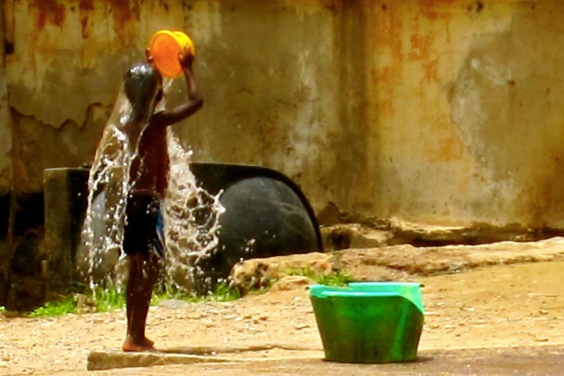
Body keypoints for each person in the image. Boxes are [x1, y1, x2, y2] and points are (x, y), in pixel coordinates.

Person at [119, 51, 203, 352]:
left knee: (136, 267)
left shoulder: (128, 122)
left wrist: (153, 67)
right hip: (148, 203)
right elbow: (196, 102)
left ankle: (133, 332)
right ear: (156, 95)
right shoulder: (157, 122)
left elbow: (141, 91)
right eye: (159, 88)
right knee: (150, 267)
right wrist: (188, 70)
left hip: (132, 202)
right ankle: (135, 335)